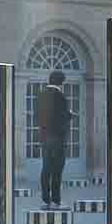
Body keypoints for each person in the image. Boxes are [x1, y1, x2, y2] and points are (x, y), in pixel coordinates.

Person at [35, 70, 71, 207]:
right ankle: (56, 200)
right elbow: (63, 117)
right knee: (57, 170)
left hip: (45, 137)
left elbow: (37, 116)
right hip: (58, 138)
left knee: (46, 168)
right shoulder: (61, 96)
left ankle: (46, 200)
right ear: (61, 82)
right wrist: (69, 115)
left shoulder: (41, 95)